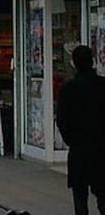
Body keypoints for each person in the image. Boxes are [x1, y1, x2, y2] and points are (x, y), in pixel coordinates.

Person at [57, 45, 105, 215]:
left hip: (79, 151)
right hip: (101, 151)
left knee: (80, 198)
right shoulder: (102, 86)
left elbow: (62, 120)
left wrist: (72, 140)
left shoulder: (68, 89)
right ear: (92, 62)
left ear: (74, 64)